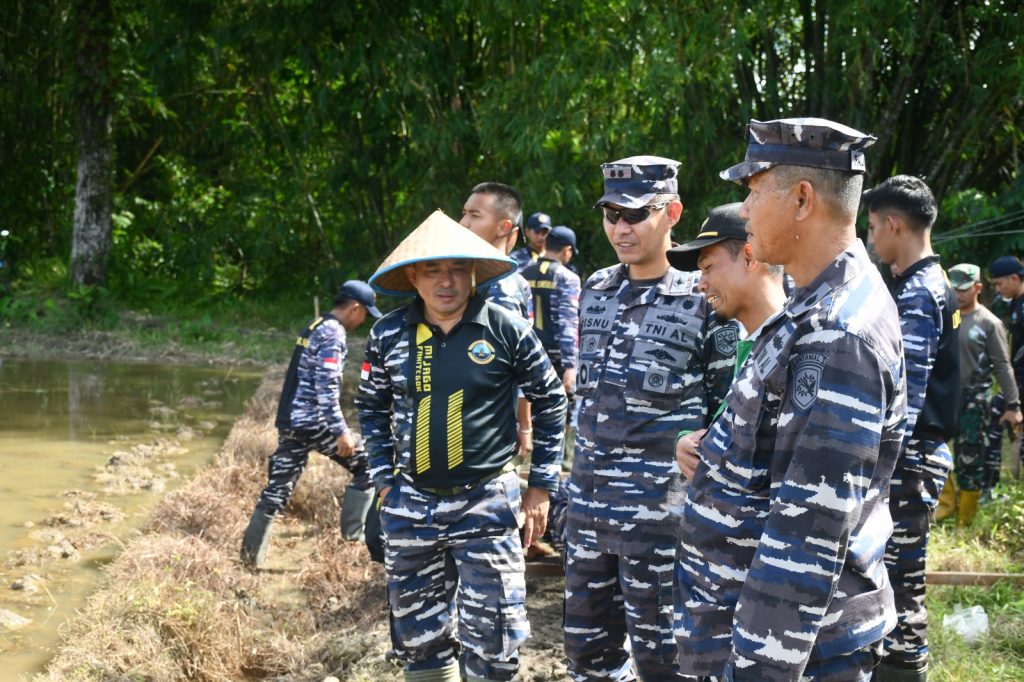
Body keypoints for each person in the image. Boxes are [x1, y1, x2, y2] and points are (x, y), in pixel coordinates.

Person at [676, 118, 905, 681]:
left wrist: (759, 668)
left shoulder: (838, 332)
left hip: (798, 651)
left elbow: (810, 529)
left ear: (802, 199)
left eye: (754, 192)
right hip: (761, 629)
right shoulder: (812, 308)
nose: (745, 211)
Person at [356, 211, 567, 682]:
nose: (446, 281)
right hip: (411, 504)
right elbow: (370, 407)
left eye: (457, 269)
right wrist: (385, 480)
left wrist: (541, 486)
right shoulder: (388, 333)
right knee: (418, 639)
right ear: (414, 277)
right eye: (433, 270)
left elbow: (551, 399)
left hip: (486, 502)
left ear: (473, 272)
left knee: (495, 639)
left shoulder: (505, 328)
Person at [563, 156, 734, 681]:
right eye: (611, 215)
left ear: (672, 213)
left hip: (659, 522)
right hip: (588, 511)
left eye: (636, 214)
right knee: (587, 654)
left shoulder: (704, 297)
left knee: (666, 662)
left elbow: (726, 409)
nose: (621, 228)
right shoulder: (595, 288)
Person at [865, 175, 960, 681]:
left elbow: (905, 397)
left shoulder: (920, 293)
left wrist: (875, 465)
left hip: (911, 460)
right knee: (898, 573)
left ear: (894, 225)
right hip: (916, 457)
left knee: (901, 578)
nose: (872, 238)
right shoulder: (928, 282)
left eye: (873, 227)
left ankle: (904, 668)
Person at [240, 280, 382, 567]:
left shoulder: (315, 325)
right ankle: (353, 539)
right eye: (365, 314)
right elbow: (326, 388)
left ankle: (249, 560)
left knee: (277, 489)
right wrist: (341, 431)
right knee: (369, 463)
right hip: (313, 422)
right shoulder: (333, 333)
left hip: (291, 421)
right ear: (355, 308)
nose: (363, 321)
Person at [665, 201, 788, 480]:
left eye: (708, 267)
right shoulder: (754, 347)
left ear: (749, 257)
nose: (701, 284)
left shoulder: (792, 348)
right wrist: (689, 443)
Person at [460, 182, 536, 458]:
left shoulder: (502, 286)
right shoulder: (469, 277)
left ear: (504, 227)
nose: (463, 223)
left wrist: (524, 426)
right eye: (464, 213)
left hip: (484, 430)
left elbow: (515, 365)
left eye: (475, 215)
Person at [945, 263, 1021, 526]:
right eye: (954, 289)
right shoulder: (947, 318)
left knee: (970, 460)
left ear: (977, 288)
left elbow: (1002, 366)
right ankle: (944, 507)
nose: (958, 294)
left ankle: (965, 520)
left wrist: (1013, 404)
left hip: (975, 402)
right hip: (946, 398)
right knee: (935, 452)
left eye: (964, 289)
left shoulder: (989, 323)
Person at [520, 225, 581, 395]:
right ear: (567, 250)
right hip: (556, 358)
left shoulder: (524, 274)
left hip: (527, 353)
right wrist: (570, 365)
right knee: (560, 407)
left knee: (530, 405)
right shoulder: (568, 278)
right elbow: (568, 322)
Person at [986, 255, 1024, 491]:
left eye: (1000, 284)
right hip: (1017, 378)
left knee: (997, 413)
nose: (999, 290)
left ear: (1014, 278)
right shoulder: (1016, 304)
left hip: (1021, 380)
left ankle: (990, 486)